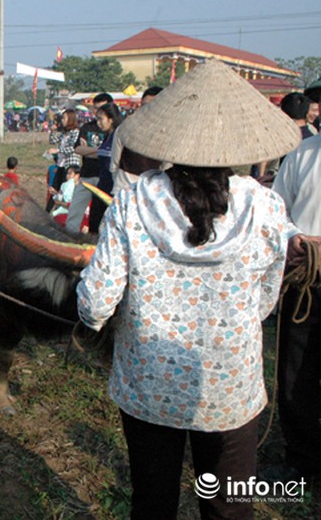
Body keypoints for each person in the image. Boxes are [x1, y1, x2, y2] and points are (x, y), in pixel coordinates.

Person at [76, 59, 301, 519]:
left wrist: (94, 320)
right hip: (229, 386)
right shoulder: (266, 206)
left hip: (147, 382)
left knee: (153, 500)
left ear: (168, 137)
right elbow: (265, 300)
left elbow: (96, 301)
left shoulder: (133, 202)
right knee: (227, 507)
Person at [263, 132, 321, 483]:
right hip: (306, 279)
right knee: (296, 372)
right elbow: (277, 209)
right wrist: (292, 237)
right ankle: (301, 457)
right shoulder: (303, 152)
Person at [66, 93, 113, 234]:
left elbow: (112, 152)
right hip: (87, 175)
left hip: (104, 177)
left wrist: (90, 150)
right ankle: (70, 236)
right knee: (75, 209)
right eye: (95, 108)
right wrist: (101, 151)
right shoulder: (87, 127)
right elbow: (78, 149)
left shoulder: (113, 131)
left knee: (102, 212)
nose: (97, 112)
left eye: (101, 108)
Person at [88, 102, 124, 232]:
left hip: (113, 189)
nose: (98, 123)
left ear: (111, 119)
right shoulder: (107, 136)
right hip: (102, 186)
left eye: (100, 119)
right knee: (94, 225)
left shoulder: (119, 136)